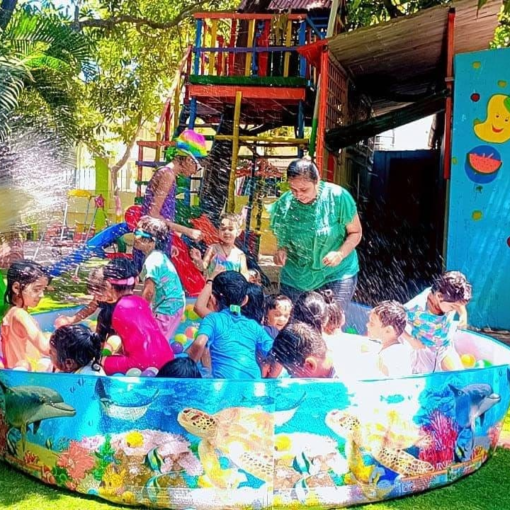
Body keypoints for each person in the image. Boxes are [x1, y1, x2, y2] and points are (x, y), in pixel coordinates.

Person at [269, 158, 362, 311]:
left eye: (304, 190)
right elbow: (283, 238)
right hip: (296, 276)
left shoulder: (338, 197)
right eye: (293, 189)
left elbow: (356, 232)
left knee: (330, 322)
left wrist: (339, 254)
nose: (298, 195)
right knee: (291, 323)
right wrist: (281, 251)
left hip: (336, 272)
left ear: (317, 181)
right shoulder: (285, 203)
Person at [133, 129, 208, 269]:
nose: (194, 172)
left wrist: (171, 240)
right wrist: (188, 231)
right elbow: (153, 215)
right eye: (197, 166)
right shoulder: (168, 175)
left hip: (156, 239)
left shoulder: (168, 174)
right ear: (188, 159)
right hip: (151, 242)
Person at [187, 271, 273, 379]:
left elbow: (199, 344)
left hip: (223, 386)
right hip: (253, 384)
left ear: (213, 298)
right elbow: (275, 352)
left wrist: (187, 370)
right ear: (245, 300)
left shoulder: (213, 319)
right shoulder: (253, 325)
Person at [101, 259, 174, 375]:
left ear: (108, 284)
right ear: (135, 280)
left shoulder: (111, 309)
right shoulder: (141, 302)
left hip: (142, 365)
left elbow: (98, 346)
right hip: (168, 360)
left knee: (101, 361)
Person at [403, 271, 472, 374]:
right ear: (439, 296)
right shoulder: (415, 307)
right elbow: (394, 322)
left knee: (460, 378)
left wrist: (463, 314)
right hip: (423, 350)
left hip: (445, 347)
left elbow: (459, 302)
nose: (455, 309)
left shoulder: (448, 296)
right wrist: (410, 339)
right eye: (453, 307)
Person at [134, 216, 185, 339]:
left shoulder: (152, 261)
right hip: (174, 303)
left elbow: (149, 291)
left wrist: (141, 312)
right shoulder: (158, 256)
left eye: (138, 233)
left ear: (151, 241)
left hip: (167, 308)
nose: (135, 236)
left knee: (156, 341)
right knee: (159, 337)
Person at [1, 260, 51, 370]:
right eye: (36, 289)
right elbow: (46, 348)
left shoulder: (10, 311)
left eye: (43, 289)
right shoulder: (20, 315)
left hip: (13, 373)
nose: (42, 295)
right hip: (25, 377)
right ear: (16, 288)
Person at [268, 321, 339, 378]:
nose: (292, 377)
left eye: (291, 372)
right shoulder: (335, 349)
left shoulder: (343, 382)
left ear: (309, 365)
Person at [190, 213, 249, 280]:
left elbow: (244, 274)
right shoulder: (213, 249)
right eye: (223, 229)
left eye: (230, 229)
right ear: (218, 231)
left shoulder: (240, 255)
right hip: (212, 287)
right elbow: (203, 267)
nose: (226, 232)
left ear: (238, 232)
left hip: (230, 289)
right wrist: (198, 260)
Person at [366, 301, 412, 377]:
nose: (367, 325)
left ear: (388, 331)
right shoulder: (387, 349)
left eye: (372, 323)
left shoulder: (395, 353)